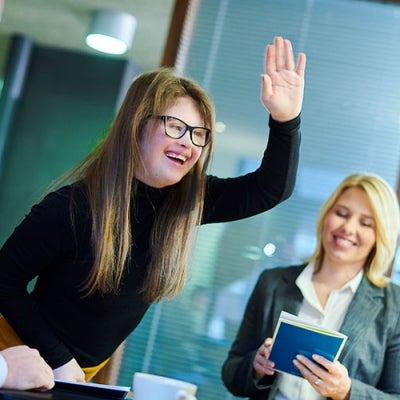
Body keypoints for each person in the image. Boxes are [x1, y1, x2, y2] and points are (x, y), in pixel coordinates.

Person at [0, 36, 306, 383]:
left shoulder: (186, 203)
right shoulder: (72, 207)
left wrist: (286, 120)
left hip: (74, 375)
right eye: (175, 127)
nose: (188, 143)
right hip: (12, 357)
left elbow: (270, 189)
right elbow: (3, 281)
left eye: (198, 134)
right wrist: (58, 359)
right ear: (137, 125)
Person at [221, 173, 400, 400]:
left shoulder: (394, 307)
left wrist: (347, 392)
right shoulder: (272, 283)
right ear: (326, 215)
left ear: (380, 235)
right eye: (341, 213)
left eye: (365, 223)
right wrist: (256, 367)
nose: (348, 227)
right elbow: (231, 372)